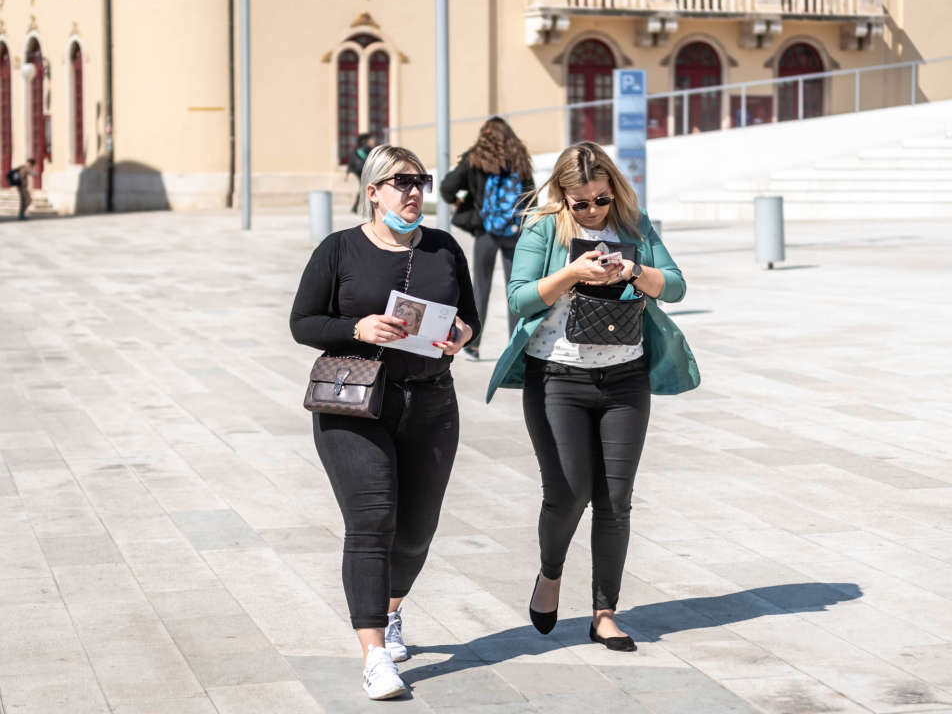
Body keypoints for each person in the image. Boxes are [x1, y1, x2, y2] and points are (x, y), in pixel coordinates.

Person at [486, 141, 698, 651]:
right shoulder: (544, 227)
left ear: (613, 190)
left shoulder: (634, 224)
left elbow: (676, 287)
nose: (592, 211)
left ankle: (605, 612)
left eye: (600, 200)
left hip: (625, 379)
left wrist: (634, 272)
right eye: (580, 203)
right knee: (568, 493)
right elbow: (518, 297)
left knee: (616, 501)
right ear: (562, 195)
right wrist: (571, 274)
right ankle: (551, 573)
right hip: (557, 377)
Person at [290, 144, 481, 701]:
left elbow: (470, 317)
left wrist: (464, 337)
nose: (414, 191)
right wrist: (358, 329)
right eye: (400, 182)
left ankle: (392, 610)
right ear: (373, 192)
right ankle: (374, 652)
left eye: (420, 181)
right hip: (355, 405)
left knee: (417, 531)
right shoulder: (339, 248)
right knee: (373, 522)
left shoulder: (445, 248)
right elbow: (303, 322)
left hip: (431, 402)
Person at [440, 117, 535, 361]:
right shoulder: (520, 159)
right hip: (514, 235)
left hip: (486, 233)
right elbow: (532, 199)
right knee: (517, 291)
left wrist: (460, 202)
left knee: (479, 289)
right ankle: (517, 349)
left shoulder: (475, 158)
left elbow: (447, 187)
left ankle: (472, 345)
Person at [347, 133, 377, 215]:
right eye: (371, 140)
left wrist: (348, 171)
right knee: (365, 188)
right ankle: (357, 207)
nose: (372, 141)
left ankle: (357, 207)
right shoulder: (365, 148)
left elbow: (351, 163)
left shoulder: (358, 149)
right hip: (361, 171)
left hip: (359, 170)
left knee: (364, 188)